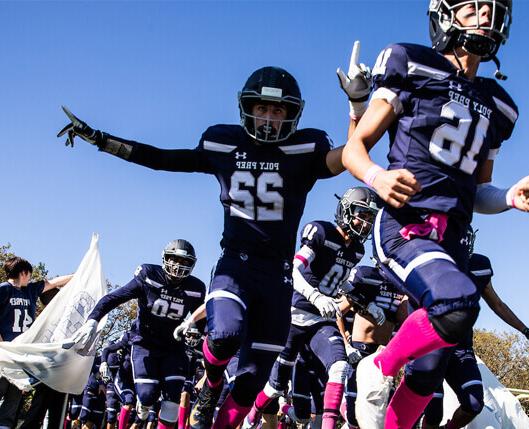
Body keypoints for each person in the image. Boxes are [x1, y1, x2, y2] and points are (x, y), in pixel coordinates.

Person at [59, 42, 372, 429]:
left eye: (278, 110)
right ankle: (210, 380)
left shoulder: (304, 148)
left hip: (278, 275)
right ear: (247, 108)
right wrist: (103, 140)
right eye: (262, 108)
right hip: (235, 263)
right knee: (224, 333)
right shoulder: (224, 143)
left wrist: (358, 105)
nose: (270, 118)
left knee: (249, 387)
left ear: (291, 113)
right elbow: (162, 159)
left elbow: (352, 156)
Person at [341, 1, 529, 427]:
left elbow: (478, 193)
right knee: (457, 304)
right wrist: (378, 178)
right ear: (445, 15)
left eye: (492, 10)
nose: (486, 17)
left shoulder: (497, 105)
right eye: (473, 7)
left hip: (451, 240)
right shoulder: (412, 64)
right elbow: (354, 149)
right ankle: (376, 369)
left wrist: (509, 197)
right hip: (406, 225)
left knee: (431, 371)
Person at [244, 187, 379, 429]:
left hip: (321, 320)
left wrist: (365, 303)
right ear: (346, 211)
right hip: (294, 315)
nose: (365, 223)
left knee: (339, 367)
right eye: (362, 215)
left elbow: (341, 281)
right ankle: (251, 415)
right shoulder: (321, 231)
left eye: (370, 218)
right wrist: (316, 296)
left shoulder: (356, 250)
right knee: (275, 387)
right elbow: (293, 270)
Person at [71, 239, 206, 429]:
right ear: (165, 258)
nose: (177, 266)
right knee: (146, 395)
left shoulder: (195, 288)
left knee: (173, 398)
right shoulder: (149, 275)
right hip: (144, 344)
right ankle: (142, 408)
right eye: (174, 260)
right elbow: (115, 297)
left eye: (184, 262)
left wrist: (202, 334)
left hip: (173, 347)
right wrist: (93, 319)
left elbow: (202, 322)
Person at [421, 230, 529, 429]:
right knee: (434, 411)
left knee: (474, 403)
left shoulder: (479, 266)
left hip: (461, 348)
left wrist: (526, 331)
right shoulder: (431, 264)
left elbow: (497, 304)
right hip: (432, 347)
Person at [0, 256, 72, 429]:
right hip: (5, 350)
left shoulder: (30, 290)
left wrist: (79, 275)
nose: (31, 278)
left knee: (14, 395)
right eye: (29, 274)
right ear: (24, 273)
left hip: (22, 352)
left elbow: (53, 283)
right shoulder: (3, 289)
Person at [338, 264, 408, 429]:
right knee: (354, 416)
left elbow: (403, 319)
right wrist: (346, 344)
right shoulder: (366, 275)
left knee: (384, 412)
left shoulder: (402, 284)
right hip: (360, 349)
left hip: (383, 354)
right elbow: (337, 310)